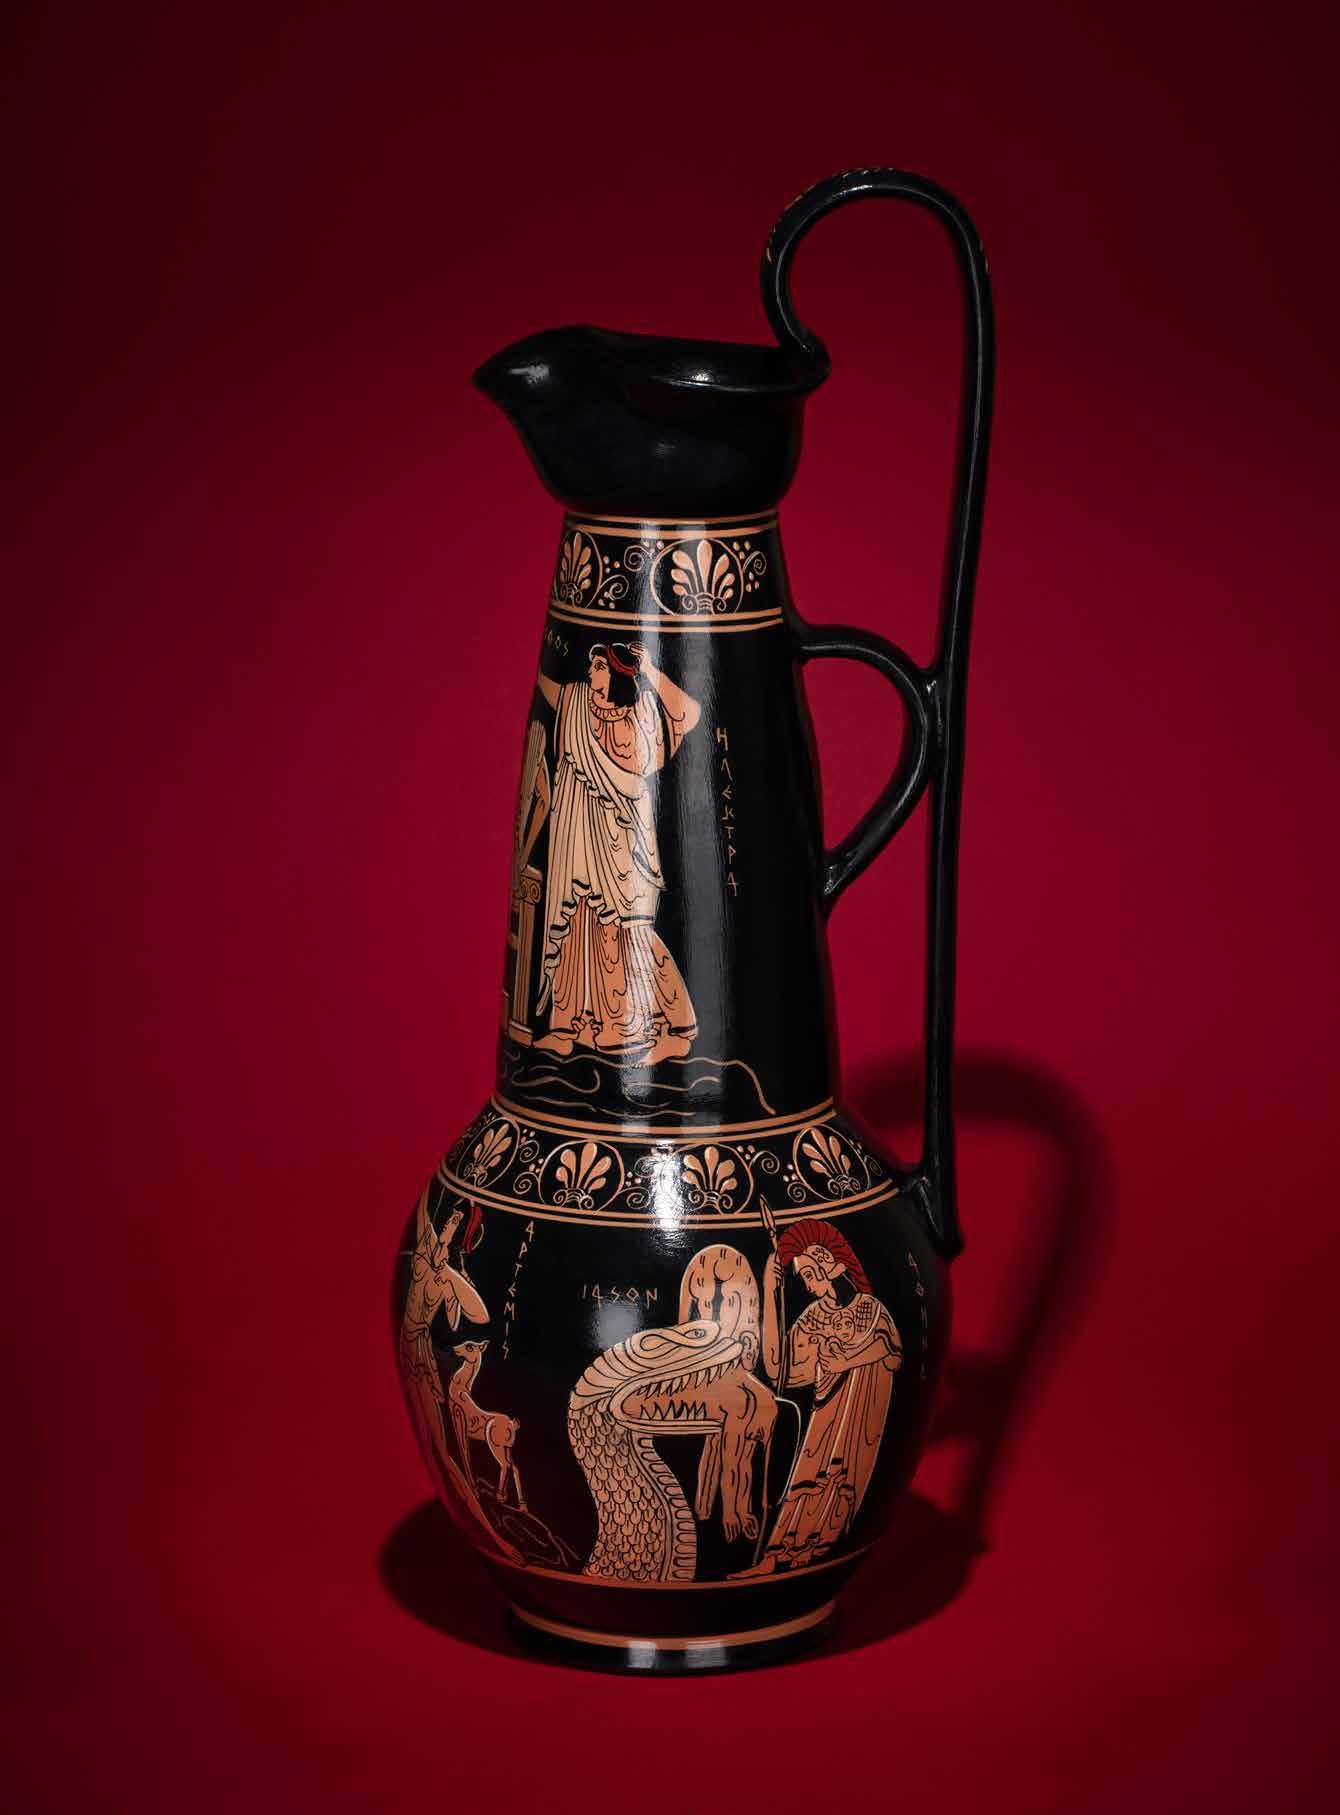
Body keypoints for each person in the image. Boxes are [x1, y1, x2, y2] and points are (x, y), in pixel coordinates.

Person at [533, 641, 700, 1063]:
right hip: (579, 836)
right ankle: (568, 1025)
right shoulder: (576, 705)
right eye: (591, 666)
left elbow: (689, 713)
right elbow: (547, 687)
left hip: (625, 843)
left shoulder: (641, 717)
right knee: (577, 924)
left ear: (616, 675)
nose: (590, 672)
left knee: (628, 933)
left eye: (598, 667)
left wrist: (650, 669)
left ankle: (659, 1025)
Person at [740, 1217, 902, 1574]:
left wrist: (845, 1359)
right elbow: (777, 1369)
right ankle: (775, 1558)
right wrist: (770, 1291)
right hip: (823, 1422)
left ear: (830, 1264)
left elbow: (888, 1348)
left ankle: (810, 1552)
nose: (809, 1286)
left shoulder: (870, 1310)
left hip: (857, 1424)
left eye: (811, 1275)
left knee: (836, 1493)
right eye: (804, 1279)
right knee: (805, 1485)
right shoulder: (813, 1317)